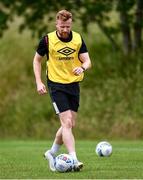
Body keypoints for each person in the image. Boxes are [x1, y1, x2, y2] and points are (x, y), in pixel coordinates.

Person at [33, 9, 91, 172]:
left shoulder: (78, 39)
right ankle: (73, 158)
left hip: (73, 85)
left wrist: (82, 68)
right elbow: (37, 61)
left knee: (70, 123)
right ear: (56, 24)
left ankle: (52, 152)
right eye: (62, 26)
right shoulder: (47, 40)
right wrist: (38, 82)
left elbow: (87, 61)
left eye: (67, 26)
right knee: (66, 123)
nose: (65, 30)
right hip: (56, 85)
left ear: (71, 24)